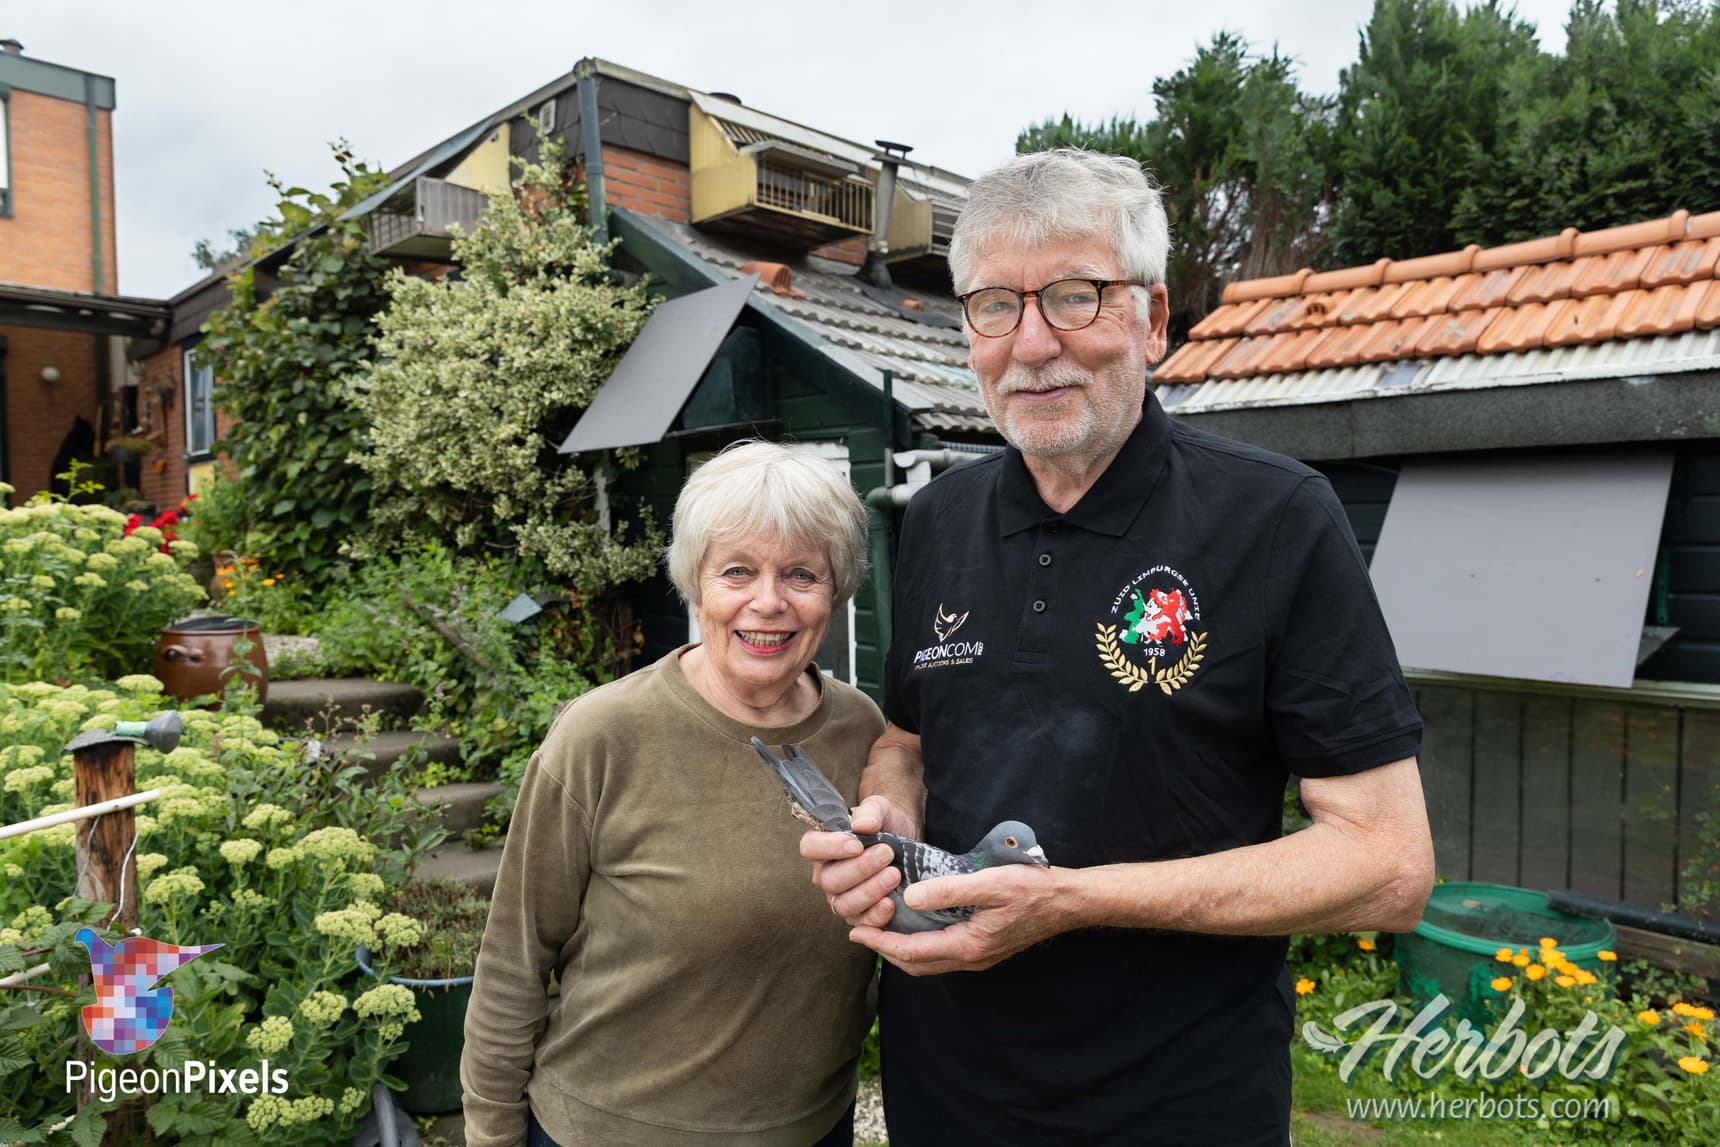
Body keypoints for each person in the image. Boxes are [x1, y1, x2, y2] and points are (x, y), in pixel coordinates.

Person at [802, 148, 1437, 1145]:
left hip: (1176, 1104)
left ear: (1151, 319)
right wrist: (889, 820)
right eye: (994, 305)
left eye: (1074, 295)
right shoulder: (935, 519)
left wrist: (1066, 902)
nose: (1031, 342)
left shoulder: (1275, 520)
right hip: (945, 1091)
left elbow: (1388, 865)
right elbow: (911, 739)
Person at [462, 441, 882, 1147]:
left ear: (835, 590)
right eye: (738, 570)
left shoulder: (861, 731)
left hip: (813, 1129)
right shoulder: (603, 735)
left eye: (801, 573)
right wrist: (491, 1134)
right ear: (695, 583)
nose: (768, 600)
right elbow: (513, 959)